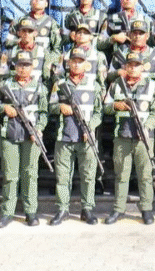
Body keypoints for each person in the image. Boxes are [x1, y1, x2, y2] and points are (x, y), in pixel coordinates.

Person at [0, 51, 48, 228]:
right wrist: (4, 109)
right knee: (10, 175)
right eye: (20, 64)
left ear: (32, 67)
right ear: (15, 66)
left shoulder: (40, 87)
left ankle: (31, 212)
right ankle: (7, 212)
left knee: (30, 174)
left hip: (31, 136)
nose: (23, 68)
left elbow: (44, 113)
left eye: (26, 65)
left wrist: (39, 129)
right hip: (9, 134)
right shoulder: (4, 85)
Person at [104, 52, 155, 225]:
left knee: (145, 175)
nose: (133, 68)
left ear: (142, 67)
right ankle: (119, 209)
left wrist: (147, 127)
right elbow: (105, 107)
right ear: (125, 67)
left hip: (143, 138)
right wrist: (115, 105)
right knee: (121, 175)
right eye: (129, 65)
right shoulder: (116, 85)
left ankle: (146, 209)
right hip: (122, 136)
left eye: (136, 65)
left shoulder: (152, 86)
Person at [48, 47, 103, 226]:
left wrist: (91, 128)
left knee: (88, 175)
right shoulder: (60, 84)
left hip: (87, 138)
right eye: (74, 61)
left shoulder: (94, 85)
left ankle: (87, 209)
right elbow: (50, 106)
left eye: (80, 61)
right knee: (63, 176)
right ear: (69, 63)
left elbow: (98, 113)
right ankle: (63, 209)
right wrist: (60, 108)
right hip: (64, 136)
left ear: (86, 64)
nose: (77, 64)